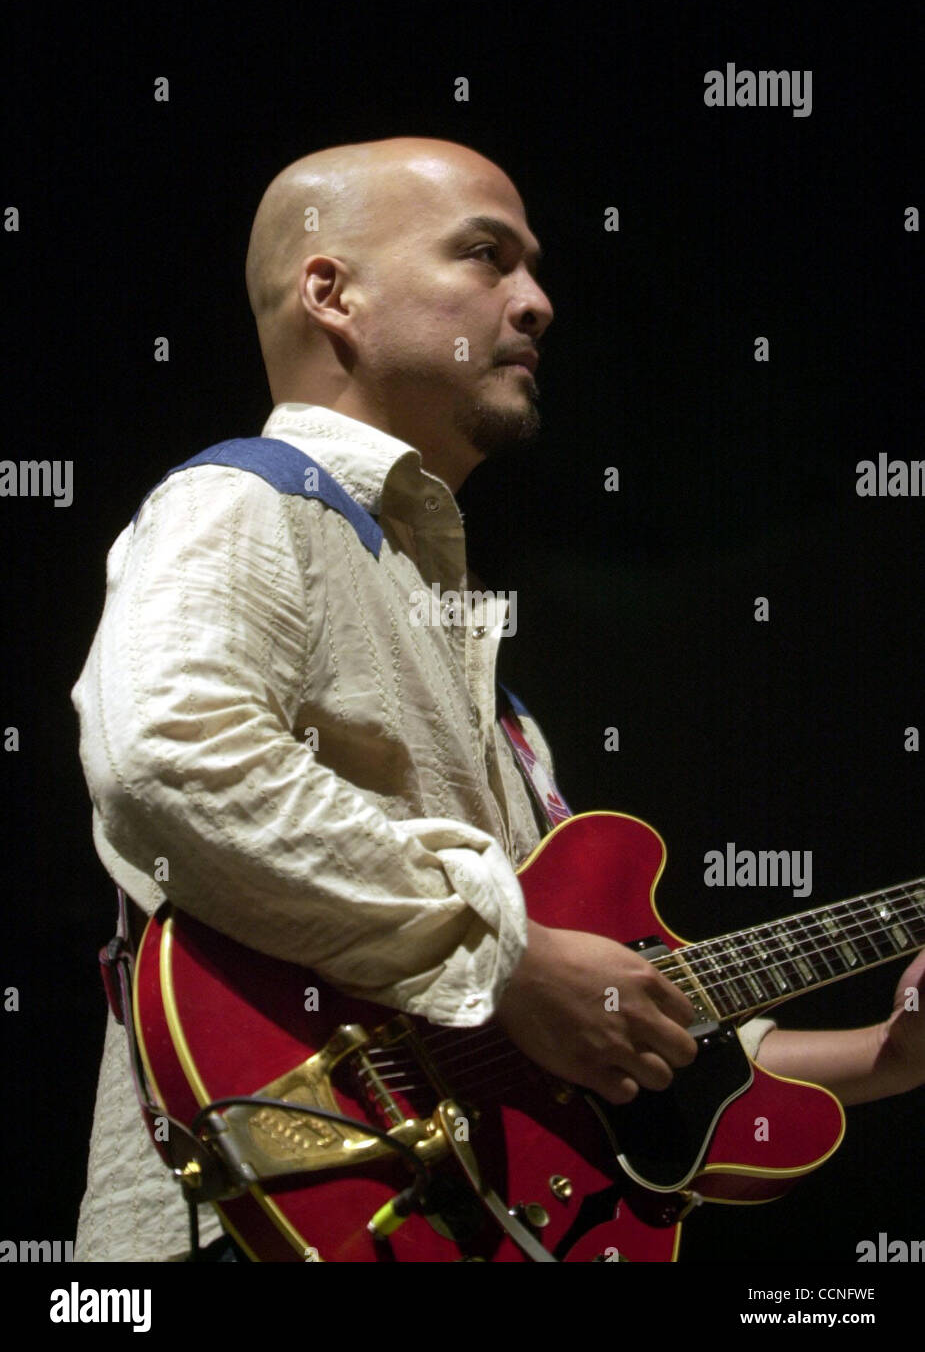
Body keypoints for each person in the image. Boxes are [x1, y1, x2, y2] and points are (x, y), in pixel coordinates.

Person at [70, 137, 925, 1263]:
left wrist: (889, 1052)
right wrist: (507, 960)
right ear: (333, 292)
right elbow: (169, 760)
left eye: (532, 268)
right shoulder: (241, 502)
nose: (538, 302)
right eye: (487, 256)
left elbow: (617, 1011)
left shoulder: (482, 673)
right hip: (257, 1212)